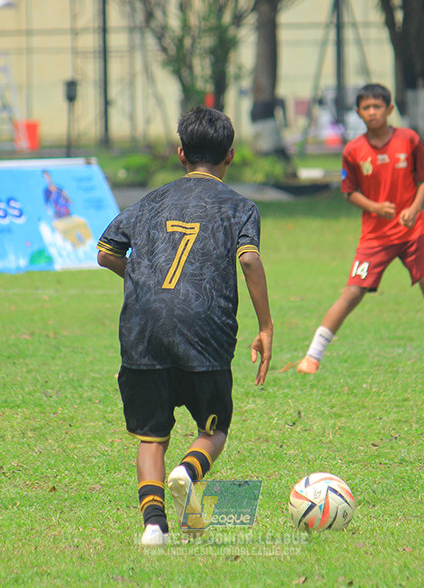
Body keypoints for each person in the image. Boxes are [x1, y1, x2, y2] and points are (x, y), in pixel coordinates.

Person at [96, 106, 273, 547]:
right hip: (204, 335)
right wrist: (266, 325)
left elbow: (105, 252)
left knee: (151, 436)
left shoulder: (150, 201)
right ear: (230, 156)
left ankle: (154, 527)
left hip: (142, 335)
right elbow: (248, 258)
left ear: (180, 154)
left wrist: (142, 278)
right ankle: (188, 472)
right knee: (213, 431)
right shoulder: (239, 206)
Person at [289, 83, 424, 375]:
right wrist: (374, 207)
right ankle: (311, 358)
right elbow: (349, 191)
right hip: (375, 238)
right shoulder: (353, 150)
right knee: (351, 293)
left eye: (377, 107)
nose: (372, 112)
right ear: (358, 112)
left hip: (414, 233)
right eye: (366, 107)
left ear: (389, 110)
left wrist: (413, 209)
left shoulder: (409, 140)